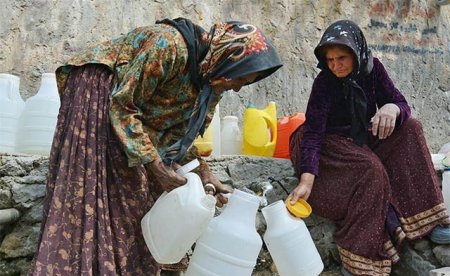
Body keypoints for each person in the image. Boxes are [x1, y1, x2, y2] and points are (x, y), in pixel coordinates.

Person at [30, 18, 282, 275]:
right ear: (230, 57)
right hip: (99, 89)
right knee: (96, 189)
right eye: (240, 78)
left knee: (140, 194)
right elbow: (124, 104)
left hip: (128, 109)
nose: (238, 87)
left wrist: (201, 169)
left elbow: (181, 133)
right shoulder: (169, 45)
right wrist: (155, 166)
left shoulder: (213, 79)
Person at [289, 20, 450, 276]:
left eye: (342, 57)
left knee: (411, 127)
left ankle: (428, 221)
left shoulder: (373, 70)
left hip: (359, 139)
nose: (335, 65)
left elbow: (399, 102)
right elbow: (313, 133)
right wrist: (307, 179)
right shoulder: (324, 83)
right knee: (370, 169)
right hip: (330, 145)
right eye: (329, 60)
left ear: (357, 52)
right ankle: (360, 260)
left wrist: (392, 108)